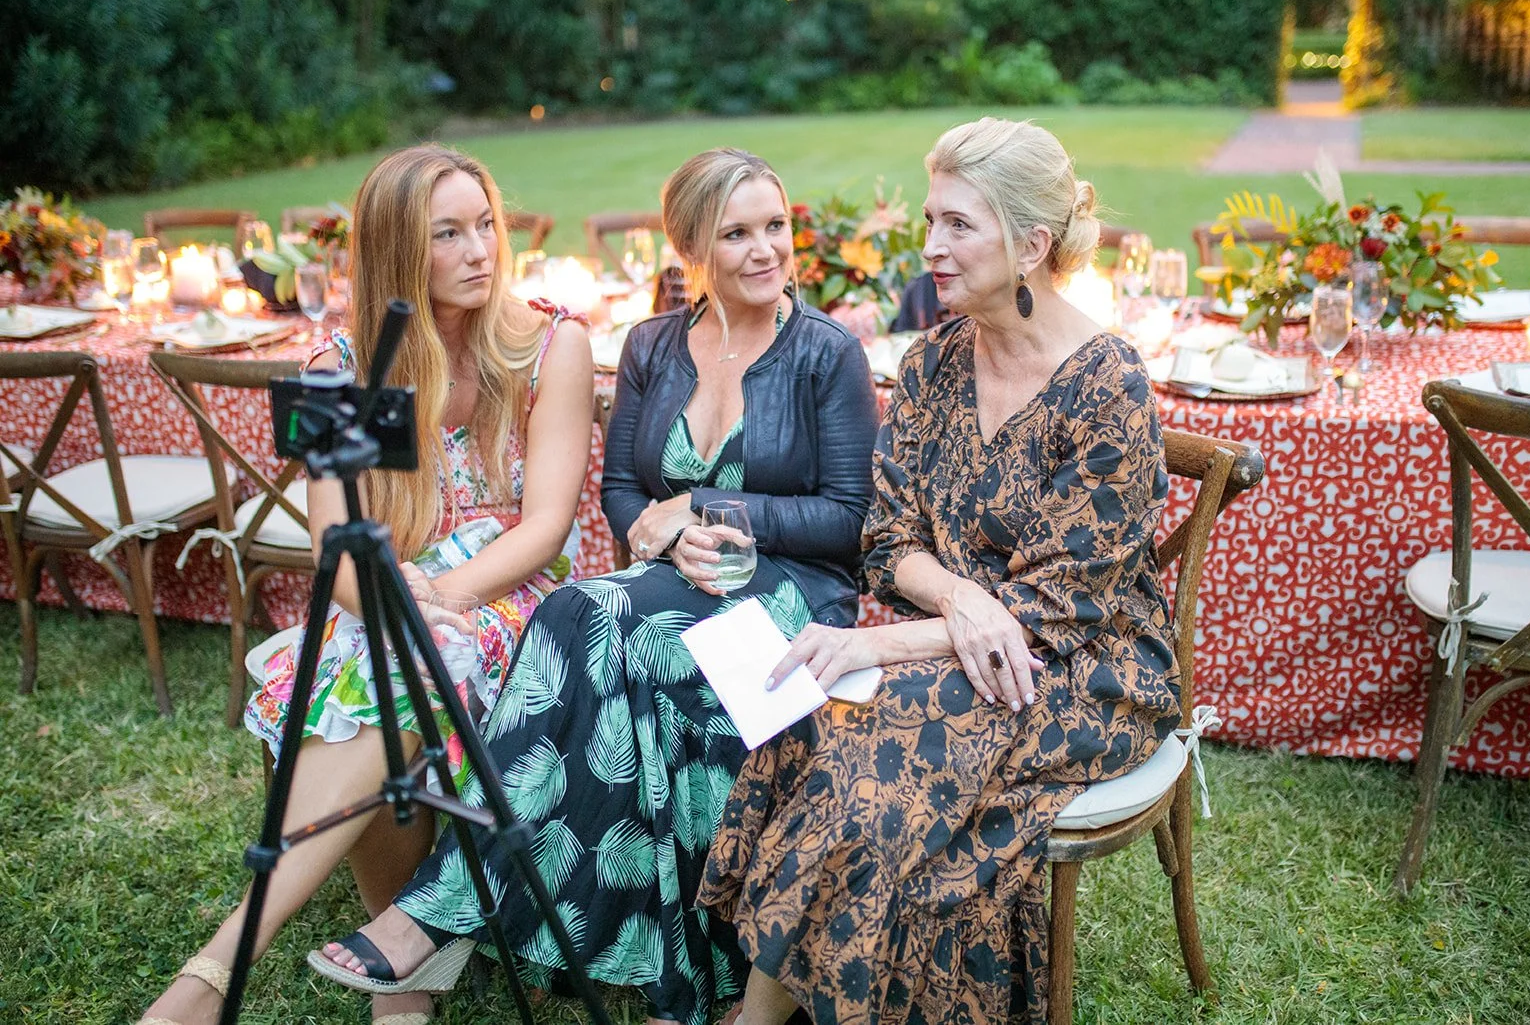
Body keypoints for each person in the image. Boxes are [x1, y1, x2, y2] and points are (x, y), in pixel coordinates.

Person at [310, 148, 880, 1025]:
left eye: (776, 225)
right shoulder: (651, 345)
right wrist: (656, 528)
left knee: (590, 615)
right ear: (691, 245)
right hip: (660, 588)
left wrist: (697, 504)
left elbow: (847, 519)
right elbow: (618, 493)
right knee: (609, 659)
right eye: (737, 233)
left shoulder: (827, 353)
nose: (767, 249)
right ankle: (670, 982)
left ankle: (440, 907)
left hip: (789, 595)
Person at [696, 118, 1182, 1025]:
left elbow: (1058, 608)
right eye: (930, 220)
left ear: (1032, 244)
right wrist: (961, 601)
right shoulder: (930, 363)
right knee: (821, 720)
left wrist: (886, 637)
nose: (931, 248)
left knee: (875, 747)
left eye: (959, 224)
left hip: (1089, 669)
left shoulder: (1108, 382)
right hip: (969, 644)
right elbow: (887, 540)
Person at [138, 144, 594, 1025]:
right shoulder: (336, 367)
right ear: (395, 251)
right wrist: (395, 608)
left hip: (513, 595)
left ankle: (220, 974)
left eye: (486, 224)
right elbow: (334, 549)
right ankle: (398, 966)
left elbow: (544, 529)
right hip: (387, 596)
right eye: (448, 234)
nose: (481, 251)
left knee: (402, 671)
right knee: (373, 671)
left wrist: (440, 599)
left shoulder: (550, 342)